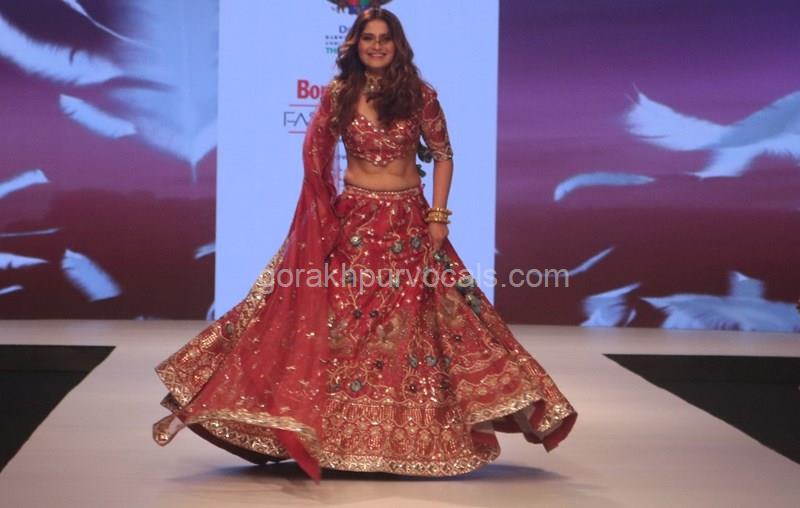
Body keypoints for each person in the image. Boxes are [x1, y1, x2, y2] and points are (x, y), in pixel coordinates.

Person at [152, 7, 577, 482]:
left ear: (398, 46)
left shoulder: (419, 94)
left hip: (410, 223)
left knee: (423, 327)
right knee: (341, 326)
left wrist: (438, 215)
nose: (376, 46)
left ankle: (406, 437)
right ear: (355, 44)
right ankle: (335, 438)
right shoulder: (339, 94)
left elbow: (443, 154)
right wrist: (321, 218)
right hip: (354, 222)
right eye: (368, 38)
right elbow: (314, 157)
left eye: (384, 38)